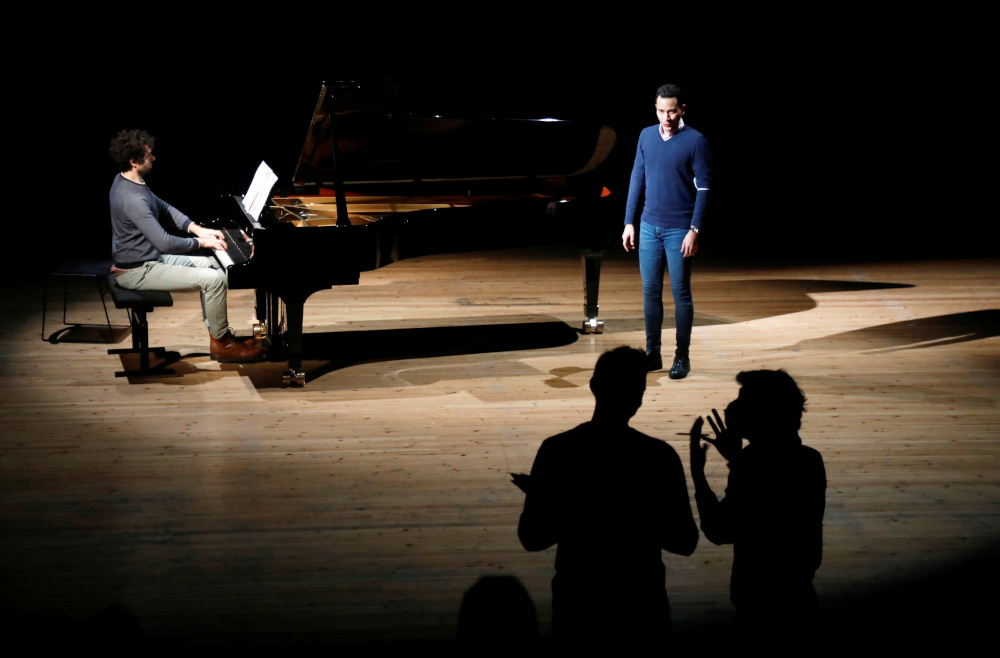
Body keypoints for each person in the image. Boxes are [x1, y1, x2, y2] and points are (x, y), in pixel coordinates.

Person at [515, 346, 698, 648]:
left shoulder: (557, 451)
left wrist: (556, 502)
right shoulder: (659, 457)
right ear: (638, 397)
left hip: (579, 606)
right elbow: (685, 542)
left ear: (593, 386)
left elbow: (532, 538)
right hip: (642, 607)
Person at [690, 370, 826, 641]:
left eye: (743, 400)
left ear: (764, 412)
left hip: (760, 608)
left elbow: (719, 530)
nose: (733, 407)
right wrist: (738, 459)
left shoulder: (752, 463)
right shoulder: (810, 460)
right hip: (799, 598)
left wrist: (698, 473)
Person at [108, 129, 264, 363]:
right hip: (137, 271)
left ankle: (218, 334)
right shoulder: (132, 198)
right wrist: (202, 242)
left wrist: (198, 228)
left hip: (149, 259)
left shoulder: (130, 182)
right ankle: (222, 344)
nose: (153, 158)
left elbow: (164, 208)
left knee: (215, 266)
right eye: (148, 155)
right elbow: (164, 242)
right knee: (214, 280)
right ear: (133, 161)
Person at [622, 83, 713, 379]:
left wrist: (694, 229)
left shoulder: (695, 140)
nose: (666, 116)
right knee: (650, 292)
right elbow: (637, 178)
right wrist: (629, 221)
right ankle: (652, 353)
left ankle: (681, 356)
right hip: (649, 226)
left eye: (671, 111)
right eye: (661, 111)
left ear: (682, 109)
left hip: (679, 229)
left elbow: (704, 188)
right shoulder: (646, 136)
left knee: (680, 293)